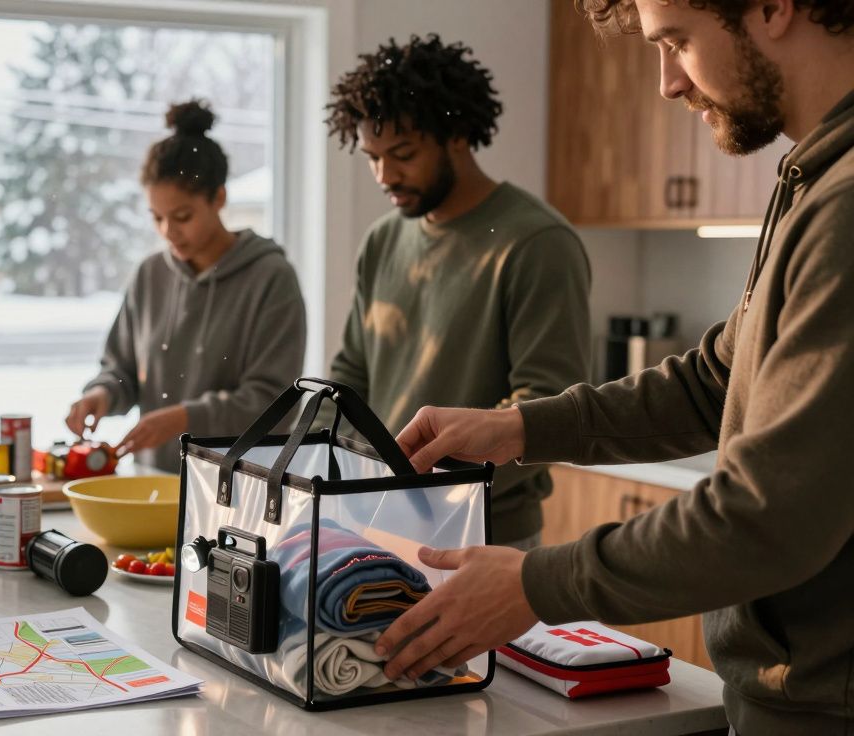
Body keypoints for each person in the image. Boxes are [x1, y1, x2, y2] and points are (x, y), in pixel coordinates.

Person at [371, 2, 854, 733]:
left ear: (773, 7)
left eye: (677, 42)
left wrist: (536, 584)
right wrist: (519, 428)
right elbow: (711, 384)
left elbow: (769, 515)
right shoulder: (812, 180)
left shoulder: (844, 208)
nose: (668, 82)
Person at [323, 34, 592, 548]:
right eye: (372, 157)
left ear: (457, 135)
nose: (385, 175)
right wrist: (322, 460)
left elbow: (546, 403)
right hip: (374, 521)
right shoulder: (382, 240)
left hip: (485, 534)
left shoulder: (537, 242)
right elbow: (351, 376)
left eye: (402, 154)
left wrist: (430, 489)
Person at [66, 99, 307, 472]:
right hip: (153, 484)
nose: (168, 231)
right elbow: (121, 369)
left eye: (182, 216)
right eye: (157, 217)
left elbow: (274, 404)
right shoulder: (149, 275)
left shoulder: (271, 279)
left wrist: (184, 418)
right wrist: (102, 393)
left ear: (219, 198)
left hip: (236, 488)